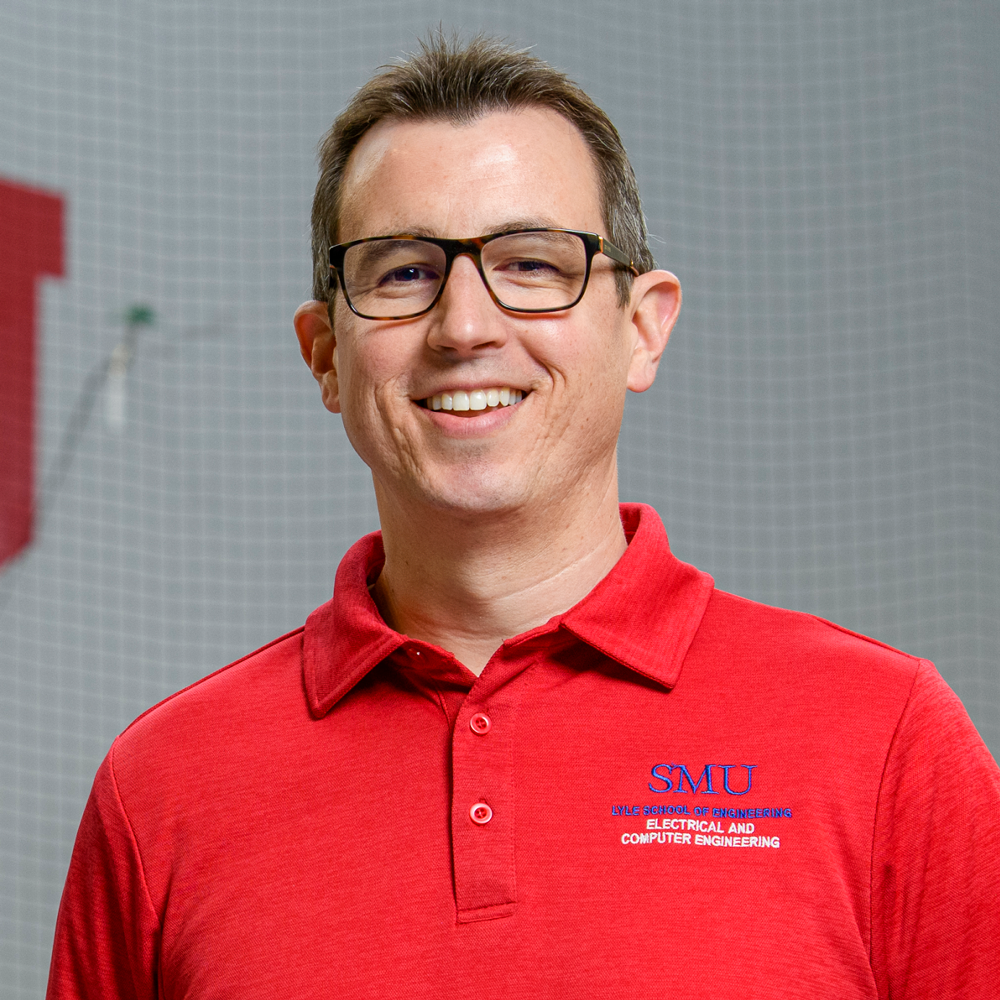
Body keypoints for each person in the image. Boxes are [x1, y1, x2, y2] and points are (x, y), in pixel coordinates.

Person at [47, 34, 1000, 999]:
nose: (466, 326)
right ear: (326, 355)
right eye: (403, 272)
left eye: (535, 264)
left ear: (643, 326)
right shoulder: (162, 787)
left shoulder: (886, 742)